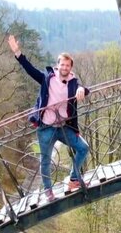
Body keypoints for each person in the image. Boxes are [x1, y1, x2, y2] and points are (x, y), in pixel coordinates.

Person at [7, 34, 90, 200]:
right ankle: (48, 192)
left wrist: (83, 90)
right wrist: (18, 53)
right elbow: (30, 70)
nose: (64, 67)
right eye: (62, 64)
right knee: (45, 160)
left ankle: (73, 179)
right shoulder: (47, 78)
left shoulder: (73, 82)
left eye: (67, 65)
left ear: (70, 68)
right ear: (57, 65)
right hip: (46, 128)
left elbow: (83, 89)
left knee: (83, 148)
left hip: (65, 127)